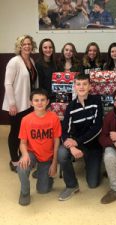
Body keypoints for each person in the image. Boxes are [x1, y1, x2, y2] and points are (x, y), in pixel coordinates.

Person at [57, 73, 103, 201]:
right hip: (77, 144)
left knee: (93, 184)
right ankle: (72, 185)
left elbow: (97, 128)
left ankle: (90, 163)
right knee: (61, 153)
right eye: (78, 84)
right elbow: (64, 131)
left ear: (90, 86)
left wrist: (76, 142)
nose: (81, 87)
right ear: (74, 87)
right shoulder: (70, 107)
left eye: (84, 84)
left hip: (94, 145)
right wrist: (71, 147)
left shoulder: (96, 101)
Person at [17, 88, 61, 206]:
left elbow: (57, 141)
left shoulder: (54, 118)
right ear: (31, 103)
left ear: (47, 102)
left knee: (43, 190)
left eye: (42, 100)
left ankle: (43, 173)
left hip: (47, 156)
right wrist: (25, 155)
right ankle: (25, 192)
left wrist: (54, 163)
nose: (39, 103)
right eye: (36, 100)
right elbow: (22, 143)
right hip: (32, 153)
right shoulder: (26, 120)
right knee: (21, 166)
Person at [2, 35, 38, 172]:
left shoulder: (31, 61)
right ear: (19, 46)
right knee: (15, 132)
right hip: (16, 105)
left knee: (25, 133)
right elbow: (8, 83)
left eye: (29, 44)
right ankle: (14, 160)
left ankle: (24, 155)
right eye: (24, 44)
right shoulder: (14, 61)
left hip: (28, 104)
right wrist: (12, 104)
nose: (27, 46)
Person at [36, 38, 58, 103]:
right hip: (45, 98)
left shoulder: (56, 62)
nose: (48, 49)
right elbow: (40, 85)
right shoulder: (38, 64)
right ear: (41, 49)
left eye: (50, 47)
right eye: (45, 47)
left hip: (57, 97)